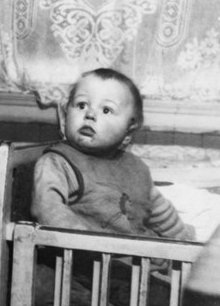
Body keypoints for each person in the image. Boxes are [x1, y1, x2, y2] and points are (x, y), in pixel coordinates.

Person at [32, 68, 194, 245]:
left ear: (129, 127)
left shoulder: (135, 167)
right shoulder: (58, 163)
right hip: (85, 263)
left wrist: (186, 243)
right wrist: (86, 244)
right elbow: (48, 209)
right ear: (65, 114)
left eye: (106, 110)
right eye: (81, 105)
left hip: (138, 262)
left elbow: (160, 212)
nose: (90, 114)